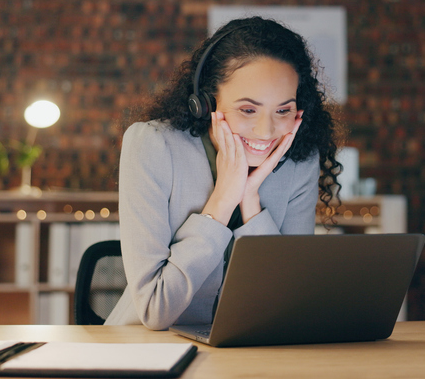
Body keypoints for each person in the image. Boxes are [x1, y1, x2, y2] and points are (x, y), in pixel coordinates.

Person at [105, 17, 342, 330]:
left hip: (249, 353)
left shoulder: (299, 162)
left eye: (283, 110)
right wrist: (222, 201)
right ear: (205, 103)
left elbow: (289, 304)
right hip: (150, 349)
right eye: (248, 109)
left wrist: (250, 200)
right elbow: (155, 309)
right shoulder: (152, 145)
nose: (266, 131)